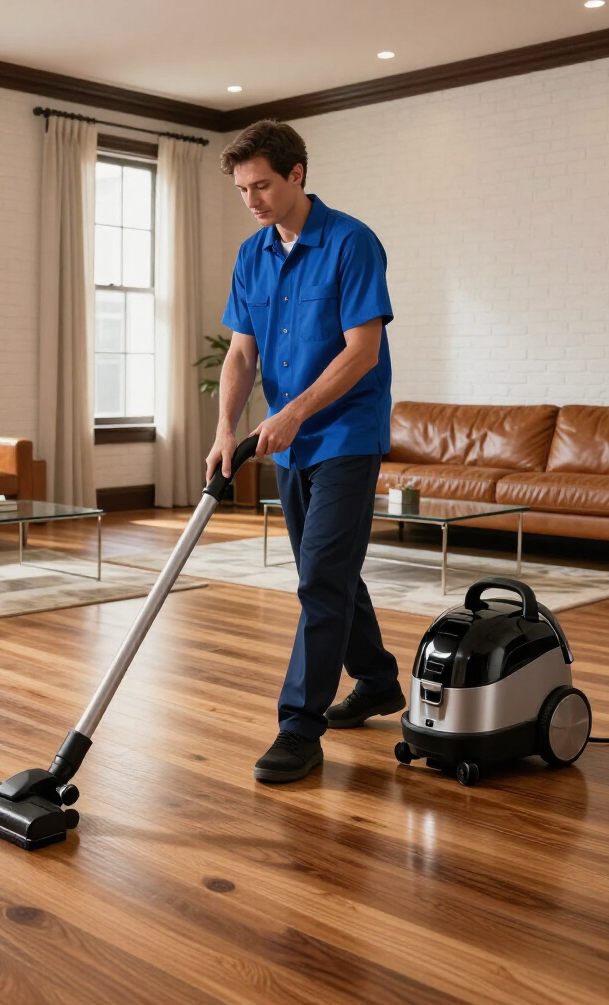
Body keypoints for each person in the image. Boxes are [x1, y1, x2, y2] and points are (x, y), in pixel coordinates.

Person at [207, 119, 405, 783]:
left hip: (345, 434)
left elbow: (362, 351)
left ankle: (299, 727)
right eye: (242, 189)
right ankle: (376, 680)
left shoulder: (351, 242)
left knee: (319, 577)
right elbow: (240, 353)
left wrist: (293, 410)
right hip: (287, 445)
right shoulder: (250, 255)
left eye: (261, 185)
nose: (253, 199)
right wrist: (223, 432)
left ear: (297, 175)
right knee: (333, 571)